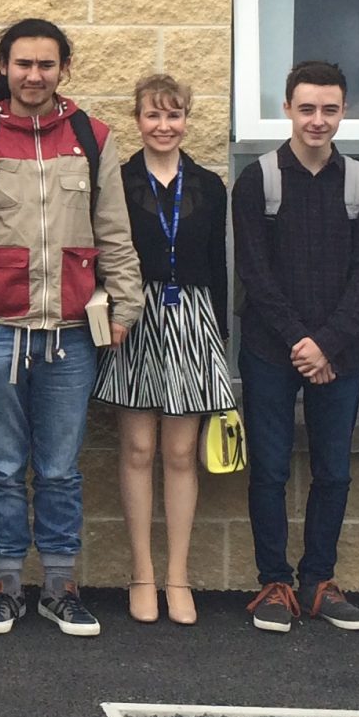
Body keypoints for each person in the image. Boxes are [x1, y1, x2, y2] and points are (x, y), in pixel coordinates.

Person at [0, 18, 142, 638]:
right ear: (4, 67)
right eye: (23, 64)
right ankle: (5, 584)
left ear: (63, 69)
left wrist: (124, 309)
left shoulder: (92, 138)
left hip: (72, 334)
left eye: (46, 64)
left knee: (60, 469)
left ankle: (59, 586)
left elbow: (115, 234)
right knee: (2, 466)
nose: (34, 75)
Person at [232, 61, 359, 635]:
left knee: (334, 471)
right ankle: (274, 582)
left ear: (343, 112)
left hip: (338, 354)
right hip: (271, 351)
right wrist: (302, 342)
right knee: (269, 470)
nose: (317, 120)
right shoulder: (260, 180)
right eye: (307, 108)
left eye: (329, 109)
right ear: (287, 109)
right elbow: (254, 273)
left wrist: (326, 344)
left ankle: (319, 581)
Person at [92, 74, 232, 627]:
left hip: (192, 318)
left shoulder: (209, 185)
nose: (164, 125)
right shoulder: (118, 180)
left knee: (179, 453)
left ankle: (177, 575)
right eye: (153, 115)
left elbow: (218, 265)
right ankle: (142, 573)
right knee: (138, 449)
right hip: (134, 316)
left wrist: (218, 338)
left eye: (174, 115)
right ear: (138, 120)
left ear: (186, 120)